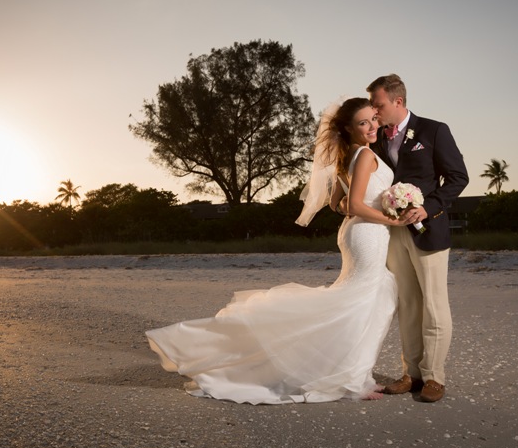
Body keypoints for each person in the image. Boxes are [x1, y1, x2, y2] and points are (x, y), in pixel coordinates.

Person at [146, 98, 403, 404]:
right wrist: (393, 217)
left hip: (356, 233)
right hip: (368, 234)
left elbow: (338, 204)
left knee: (361, 300)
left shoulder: (347, 156)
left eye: (373, 118)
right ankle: (351, 380)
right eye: (364, 122)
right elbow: (357, 204)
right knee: (360, 302)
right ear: (349, 128)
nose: (373, 126)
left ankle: (355, 376)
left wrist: (372, 205)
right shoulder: (363, 156)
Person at [367, 74, 469, 402]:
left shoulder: (434, 130)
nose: (374, 110)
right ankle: (411, 374)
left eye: (378, 103)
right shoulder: (376, 139)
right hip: (392, 233)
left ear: (398, 101)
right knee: (407, 304)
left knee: (435, 305)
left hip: (429, 230)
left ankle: (434, 376)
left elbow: (458, 177)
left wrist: (429, 207)